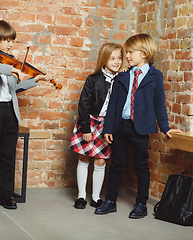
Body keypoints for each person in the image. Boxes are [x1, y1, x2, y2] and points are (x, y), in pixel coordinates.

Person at [95, 34, 182, 218]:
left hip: (140, 128)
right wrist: (108, 128)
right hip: (121, 126)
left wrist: (165, 128)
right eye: (126, 52)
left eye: (129, 52)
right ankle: (110, 200)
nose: (126, 56)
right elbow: (113, 105)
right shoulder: (123, 77)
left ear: (143, 53)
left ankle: (141, 204)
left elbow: (159, 104)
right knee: (117, 164)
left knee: (141, 166)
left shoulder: (155, 76)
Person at [0, 20, 53, 211]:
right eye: (7, 40)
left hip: (10, 111)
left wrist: (35, 80)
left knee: (8, 156)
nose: (10, 44)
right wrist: (12, 69)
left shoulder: (9, 60)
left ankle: (6, 195)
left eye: (12, 41)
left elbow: (14, 88)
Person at [69, 43, 125, 209]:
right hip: (90, 122)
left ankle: (95, 197)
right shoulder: (93, 79)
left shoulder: (122, 79)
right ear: (104, 59)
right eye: (112, 58)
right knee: (84, 157)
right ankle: (81, 196)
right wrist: (85, 129)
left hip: (107, 125)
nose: (117, 62)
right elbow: (83, 105)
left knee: (101, 161)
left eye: (119, 58)